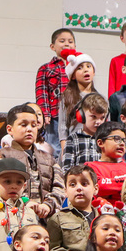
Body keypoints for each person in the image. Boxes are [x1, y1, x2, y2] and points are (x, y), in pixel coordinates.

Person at [0, 103, 63, 219]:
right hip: (12, 217)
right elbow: (1, 186)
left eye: (33, 125)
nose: (29, 129)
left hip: (44, 219)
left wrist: (48, 205)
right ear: (10, 129)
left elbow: (59, 186)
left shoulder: (49, 158)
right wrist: (25, 202)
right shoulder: (2, 156)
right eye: (23, 125)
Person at [46, 164, 100, 251]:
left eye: (84, 183)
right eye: (72, 185)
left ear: (95, 189)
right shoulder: (58, 219)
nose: (79, 188)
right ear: (65, 191)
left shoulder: (104, 219)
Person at [36, 28, 76, 156]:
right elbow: (41, 92)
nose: (66, 44)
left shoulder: (78, 67)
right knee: (54, 146)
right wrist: (44, 113)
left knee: (73, 144)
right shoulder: (46, 68)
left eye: (70, 41)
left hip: (74, 115)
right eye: (62, 41)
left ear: (74, 46)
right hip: (54, 115)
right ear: (53, 46)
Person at [58, 49, 98, 152]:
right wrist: (65, 149)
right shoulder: (67, 97)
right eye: (80, 68)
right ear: (73, 76)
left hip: (95, 144)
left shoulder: (100, 98)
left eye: (88, 66)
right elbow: (63, 126)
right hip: (74, 145)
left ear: (93, 72)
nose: (85, 70)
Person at [85, 120, 126, 205]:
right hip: (102, 215)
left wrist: (111, 185)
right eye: (116, 139)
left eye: (124, 141)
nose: (122, 144)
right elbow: (100, 187)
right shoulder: (90, 166)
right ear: (100, 143)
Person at [61, 92, 107, 172]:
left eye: (102, 118)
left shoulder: (107, 139)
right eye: (94, 117)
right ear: (81, 116)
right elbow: (66, 170)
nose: (98, 122)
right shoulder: (73, 139)